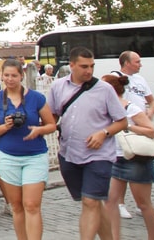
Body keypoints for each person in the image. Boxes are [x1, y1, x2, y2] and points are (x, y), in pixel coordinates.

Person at [48, 46, 127, 240]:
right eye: (84, 66)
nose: (89, 70)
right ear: (72, 65)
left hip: (99, 155)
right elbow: (51, 117)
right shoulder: (57, 87)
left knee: (91, 202)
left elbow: (122, 121)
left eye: (92, 66)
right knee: (92, 202)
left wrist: (103, 133)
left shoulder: (105, 89)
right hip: (69, 153)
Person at [0, 58, 56, 240]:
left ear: (21, 76)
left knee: (31, 205)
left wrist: (39, 130)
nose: (10, 79)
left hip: (34, 156)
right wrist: (6, 127)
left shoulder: (36, 98)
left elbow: (51, 125)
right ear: (1, 76)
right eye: (6, 75)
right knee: (16, 206)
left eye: (14, 76)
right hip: (8, 157)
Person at [102, 73, 154, 240]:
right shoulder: (104, 109)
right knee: (110, 201)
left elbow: (152, 131)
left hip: (135, 159)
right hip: (115, 158)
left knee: (143, 203)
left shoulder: (130, 108)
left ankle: (152, 237)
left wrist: (127, 127)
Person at [113, 51, 154, 220]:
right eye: (137, 61)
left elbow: (152, 101)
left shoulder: (141, 79)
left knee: (144, 162)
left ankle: (143, 203)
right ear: (126, 63)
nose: (141, 64)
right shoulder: (115, 77)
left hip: (140, 126)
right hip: (125, 128)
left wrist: (148, 114)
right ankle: (120, 204)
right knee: (123, 164)